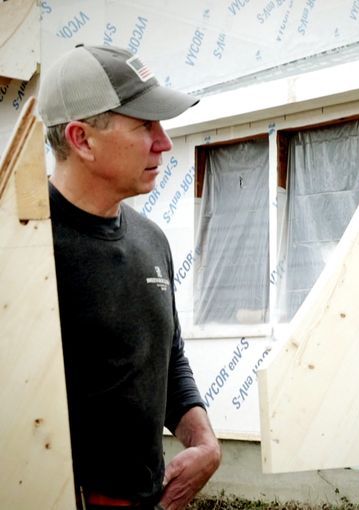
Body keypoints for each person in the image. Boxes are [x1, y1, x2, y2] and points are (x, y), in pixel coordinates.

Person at [38, 44, 221, 509]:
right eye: (144, 125)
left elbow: (166, 354)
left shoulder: (151, 240)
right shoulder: (22, 249)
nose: (163, 142)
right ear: (81, 139)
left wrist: (205, 444)